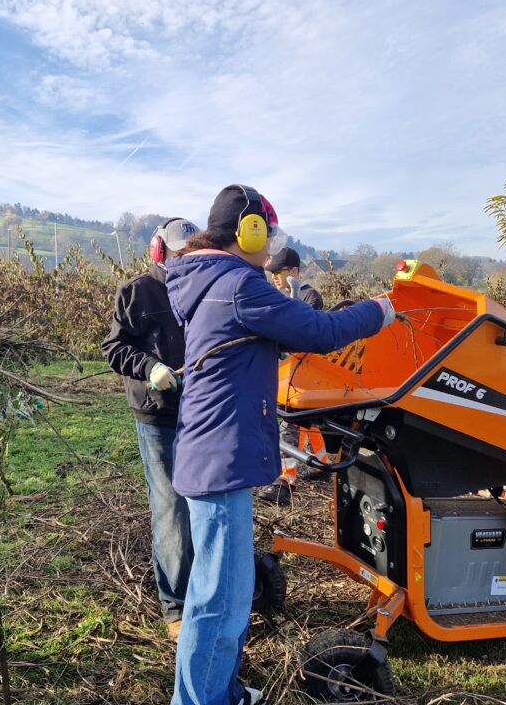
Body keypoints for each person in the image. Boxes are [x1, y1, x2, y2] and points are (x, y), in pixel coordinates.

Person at [165, 185, 395, 705]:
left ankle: (219, 691)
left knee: (225, 591)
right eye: (267, 231)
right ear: (247, 231)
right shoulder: (239, 285)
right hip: (222, 458)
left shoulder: (211, 281)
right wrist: (381, 310)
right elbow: (318, 330)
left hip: (215, 453)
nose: (271, 244)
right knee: (218, 602)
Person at [102, 217, 200, 640]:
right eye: (177, 252)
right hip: (158, 413)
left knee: (203, 504)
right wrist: (150, 367)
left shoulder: (202, 290)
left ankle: (202, 588)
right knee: (172, 508)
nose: (183, 258)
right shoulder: (137, 291)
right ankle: (175, 603)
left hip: (200, 411)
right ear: (159, 250)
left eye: (190, 252)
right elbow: (114, 347)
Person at [258, 247, 328, 505]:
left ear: (295, 272)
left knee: (290, 425)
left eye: (280, 272)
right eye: (273, 273)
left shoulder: (310, 297)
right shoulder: (283, 297)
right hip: (288, 373)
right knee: (307, 424)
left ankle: (285, 482)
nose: (275, 277)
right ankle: (321, 463)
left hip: (303, 374)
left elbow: (305, 333)